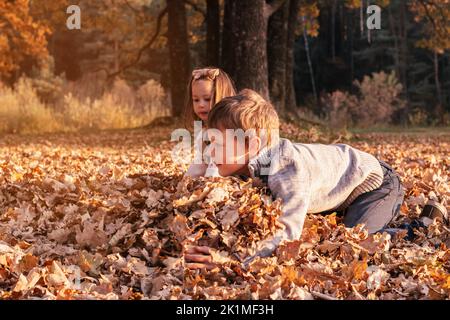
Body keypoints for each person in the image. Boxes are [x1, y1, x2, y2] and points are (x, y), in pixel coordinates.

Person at [183, 89, 448, 270]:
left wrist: (233, 258)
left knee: (354, 242)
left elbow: (287, 233)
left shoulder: (286, 169)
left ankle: (421, 224)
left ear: (250, 144)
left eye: (217, 142)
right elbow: (203, 182)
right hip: (337, 187)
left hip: (376, 183)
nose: (210, 151)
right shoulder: (247, 159)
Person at [183, 67, 236, 177]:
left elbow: (220, 161)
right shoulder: (203, 130)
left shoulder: (227, 130)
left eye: (207, 99)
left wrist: (210, 178)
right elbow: (201, 159)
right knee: (191, 174)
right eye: (196, 100)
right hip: (210, 164)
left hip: (227, 168)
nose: (201, 105)